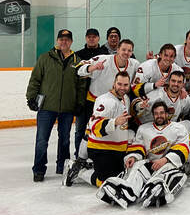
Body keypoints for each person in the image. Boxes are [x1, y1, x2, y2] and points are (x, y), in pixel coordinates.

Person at [96, 101, 190, 208]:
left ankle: (157, 189)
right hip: (150, 164)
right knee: (136, 166)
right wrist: (133, 156)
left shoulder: (179, 128)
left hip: (168, 163)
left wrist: (164, 160)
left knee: (167, 170)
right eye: (156, 113)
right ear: (153, 115)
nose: (159, 116)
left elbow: (182, 147)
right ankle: (127, 192)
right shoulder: (144, 128)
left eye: (162, 113)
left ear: (167, 114)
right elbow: (138, 145)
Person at [26, 29, 85, 182]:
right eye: (61, 39)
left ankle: (63, 167)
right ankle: (39, 169)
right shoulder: (45, 58)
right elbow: (35, 80)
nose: (64, 42)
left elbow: (81, 85)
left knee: (65, 139)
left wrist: (79, 103)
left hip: (67, 107)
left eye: (67, 39)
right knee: (41, 140)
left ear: (71, 42)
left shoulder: (77, 61)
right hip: (47, 107)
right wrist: (31, 98)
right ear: (57, 41)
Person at [63, 71, 132, 187]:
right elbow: (94, 124)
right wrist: (114, 122)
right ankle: (79, 171)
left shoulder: (125, 98)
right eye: (119, 84)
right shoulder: (106, 100)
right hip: (101, 148)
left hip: (117, 149)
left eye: (125, 85)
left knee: (121, 176)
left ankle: (93, 166)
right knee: (106, 182)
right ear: (114, 84)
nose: (122, 88)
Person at [74, 28, 107, 156]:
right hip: (82, 99)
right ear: (86, 38)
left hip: (99, 98)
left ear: (98, 38)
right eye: (89, 37)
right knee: (81, 129)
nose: (91, 39)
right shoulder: (79, 54)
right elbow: (75, 75)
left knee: (98, 128)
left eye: (94, 36)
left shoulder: (105, 54)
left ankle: (94, 156)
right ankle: (79, 156)